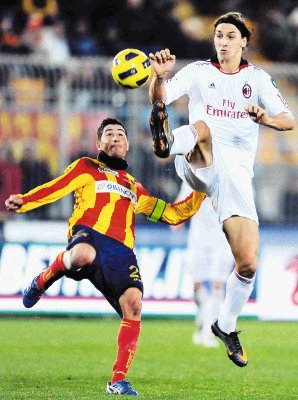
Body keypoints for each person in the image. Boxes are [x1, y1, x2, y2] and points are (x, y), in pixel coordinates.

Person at [5, 117, 206, 396]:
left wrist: (201, 192)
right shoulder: (86, 167)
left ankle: (118, 380)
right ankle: (42, 280)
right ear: (99, 143)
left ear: (126, 145)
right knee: (82, 255)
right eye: (108, 134)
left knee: (133, 304)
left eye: (120, 134)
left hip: (121, 251)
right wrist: (24, 201)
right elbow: (56, 187)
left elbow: (173, 214)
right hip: (87, 234)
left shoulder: (134, 187)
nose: (115, 137)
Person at [148, 11, 295, 367]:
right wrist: (157, 78)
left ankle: (225, 325)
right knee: (203, 128)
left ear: (244, 41)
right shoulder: (199, 71)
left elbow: (288, 120)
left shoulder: (257, 79)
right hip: (197, 162)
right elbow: (161, 97)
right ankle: (167, 140)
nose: (223, 42)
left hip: (234, 180)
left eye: (230, 36)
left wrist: (265, 118)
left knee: (248, 264)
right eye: (218, 36)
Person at [175, 182, 234, 348]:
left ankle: (210, 330)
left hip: (222, 238)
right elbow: (180, 205)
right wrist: (177, 221)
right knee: (197, 285)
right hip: (198, 237)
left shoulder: (227, 177)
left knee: (217, 283)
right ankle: (202, 318)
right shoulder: (191, 179)